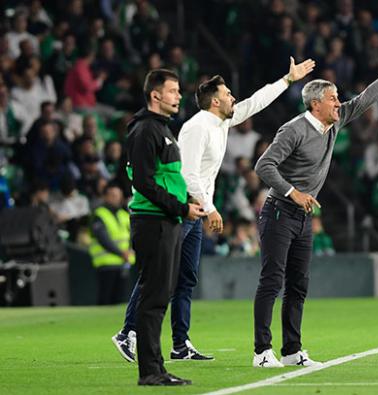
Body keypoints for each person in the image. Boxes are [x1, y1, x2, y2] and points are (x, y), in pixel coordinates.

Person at [114, 56, 315, 362]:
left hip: (195, 212)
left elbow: (255, 102)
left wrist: (287, 80)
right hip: (183, 209)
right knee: (159, 276)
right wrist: (210, 208)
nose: (234, 98)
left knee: (185, 279)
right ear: (215, 101)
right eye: (228, 94)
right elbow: (187, 174)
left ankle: (180, 343)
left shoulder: (221, 121)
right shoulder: (197, 128)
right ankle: (129, 332)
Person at [252, 45, 378, 368]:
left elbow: (366, 99)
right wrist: (293, 193)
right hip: (278, 212)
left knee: (298, 284)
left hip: (302, 217)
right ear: (316, 104)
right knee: (272, 281)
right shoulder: (294, 129)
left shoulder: (335, 122)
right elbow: (263, 166)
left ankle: (291, 351)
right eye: (333, 98)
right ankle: (262, 351)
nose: (339, 102)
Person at [111, 69, 205, 386]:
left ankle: (157, 367)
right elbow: (143, 181)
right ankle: (150, 371)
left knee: (160, 295)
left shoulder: (161, 129)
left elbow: (166, 178)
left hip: (167, 220)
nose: (178, 96)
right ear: (155, 95)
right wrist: (181, 207)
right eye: (173, 91)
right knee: (154, 296)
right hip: (153, 221)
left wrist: (185, 200)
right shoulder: (145, 130)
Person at [89, 184, 134, 305]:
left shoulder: (124, 214)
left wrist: (129, 251)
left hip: (124, 263)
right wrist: (121, 253)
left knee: (120, 301)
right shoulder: (99, 214)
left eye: (119, 196)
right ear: (106, 197)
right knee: (105, 299)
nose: (117, 199)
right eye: (113, 195)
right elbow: (103, 239)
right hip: (106, 263)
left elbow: (132, 235)